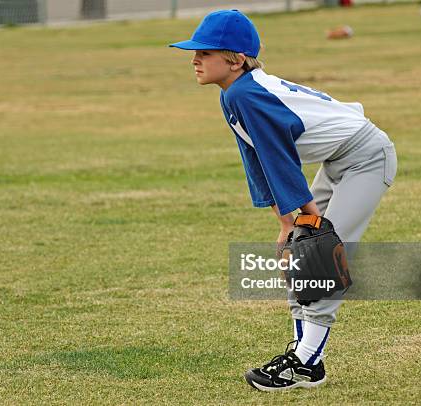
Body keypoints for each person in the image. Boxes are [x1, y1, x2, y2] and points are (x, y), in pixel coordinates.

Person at [169, 10, 397, 391]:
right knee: (301, 247)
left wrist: (306, 224)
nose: (194, 59)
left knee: (322, 254)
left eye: (205, 52)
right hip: (341, 157)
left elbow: (280, 160)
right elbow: (257, 161)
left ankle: (306, 363)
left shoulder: (246, 93)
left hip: (367, 156)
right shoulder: (233, 95)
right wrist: (286, 224)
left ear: (236, 59)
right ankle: (304, 353)